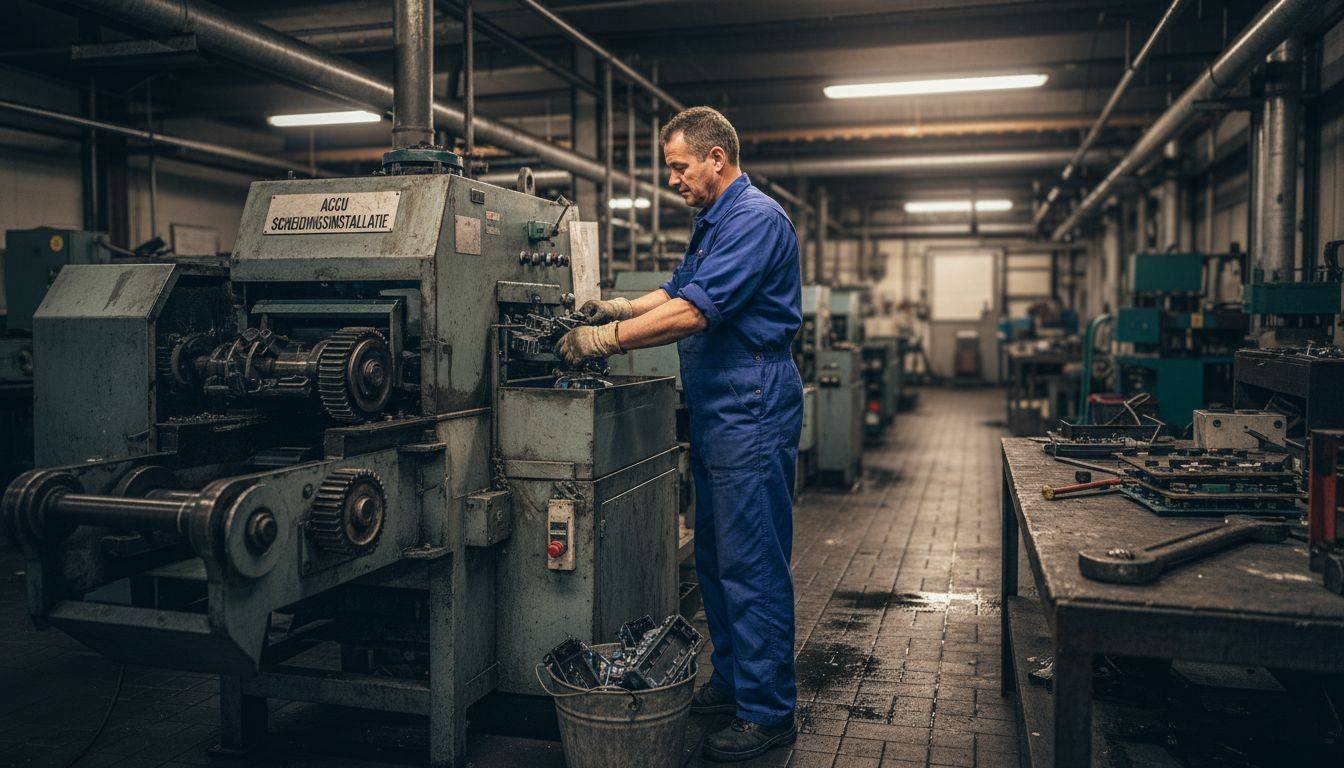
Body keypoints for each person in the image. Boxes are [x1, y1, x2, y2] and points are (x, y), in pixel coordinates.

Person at [557, 106, 803, 762]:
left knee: (752, 563)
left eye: (679, 166)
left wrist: (601, 340)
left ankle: (770, 710)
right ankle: (733, 684)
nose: (673, 179)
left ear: (716, 157)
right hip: (722, 413)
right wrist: (616, 305)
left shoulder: (754, 220)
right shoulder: (714, 221)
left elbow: (694, 312)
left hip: (751, 408)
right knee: (720, 560)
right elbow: (675, 289)